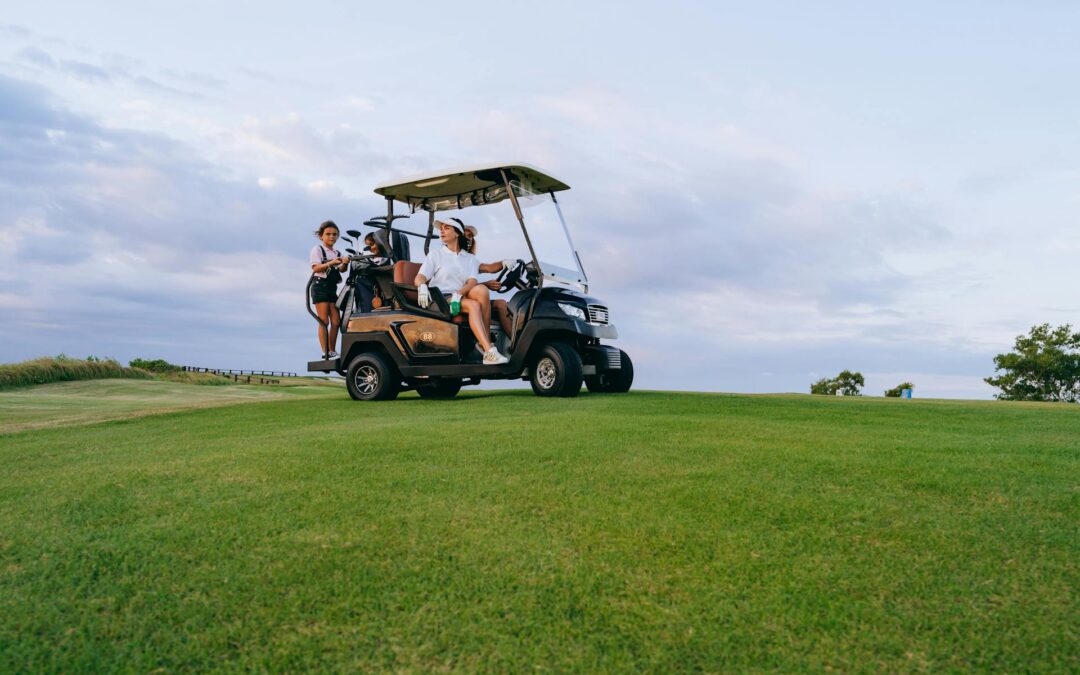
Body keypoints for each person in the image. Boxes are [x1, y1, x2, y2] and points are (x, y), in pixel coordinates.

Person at [414, 218, 509, 365]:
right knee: (474, 305)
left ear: (457, 233)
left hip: (458, 297)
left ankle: (485, 345)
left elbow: (472, 282)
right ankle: (489, 350)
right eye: (441, 228)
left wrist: (458, 294)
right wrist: (421, 286)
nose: (442, 231)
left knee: (481, 290)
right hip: (440, 299)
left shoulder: (469, 258)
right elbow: (420, 277)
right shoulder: (435, 254)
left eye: (447, 228)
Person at [464, 224, 516, 336]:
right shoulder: (450, 258)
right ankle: (485, 340)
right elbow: (459, 286)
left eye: (470, 236)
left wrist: (504, 263)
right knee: (482, 292)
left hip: (473, 296)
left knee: (501, 303)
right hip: (460, 298)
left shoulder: (471, 260)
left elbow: (489, 268)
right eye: (465, 235)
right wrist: (486, 285)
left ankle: (515, 342)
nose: (468, 239)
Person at [309, 220, 349, 358]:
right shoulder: (318, 249)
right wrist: (331, 263)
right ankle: (325, 351)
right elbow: (315, 268)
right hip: (320, 286)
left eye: (334, 234)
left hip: (332, 288)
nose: (332, 236)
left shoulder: (337, 252)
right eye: (328, 234)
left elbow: (342, 270)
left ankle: (331, 350)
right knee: (324, 321)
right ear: (321, 236)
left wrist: (345, 263)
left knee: (336, 321)